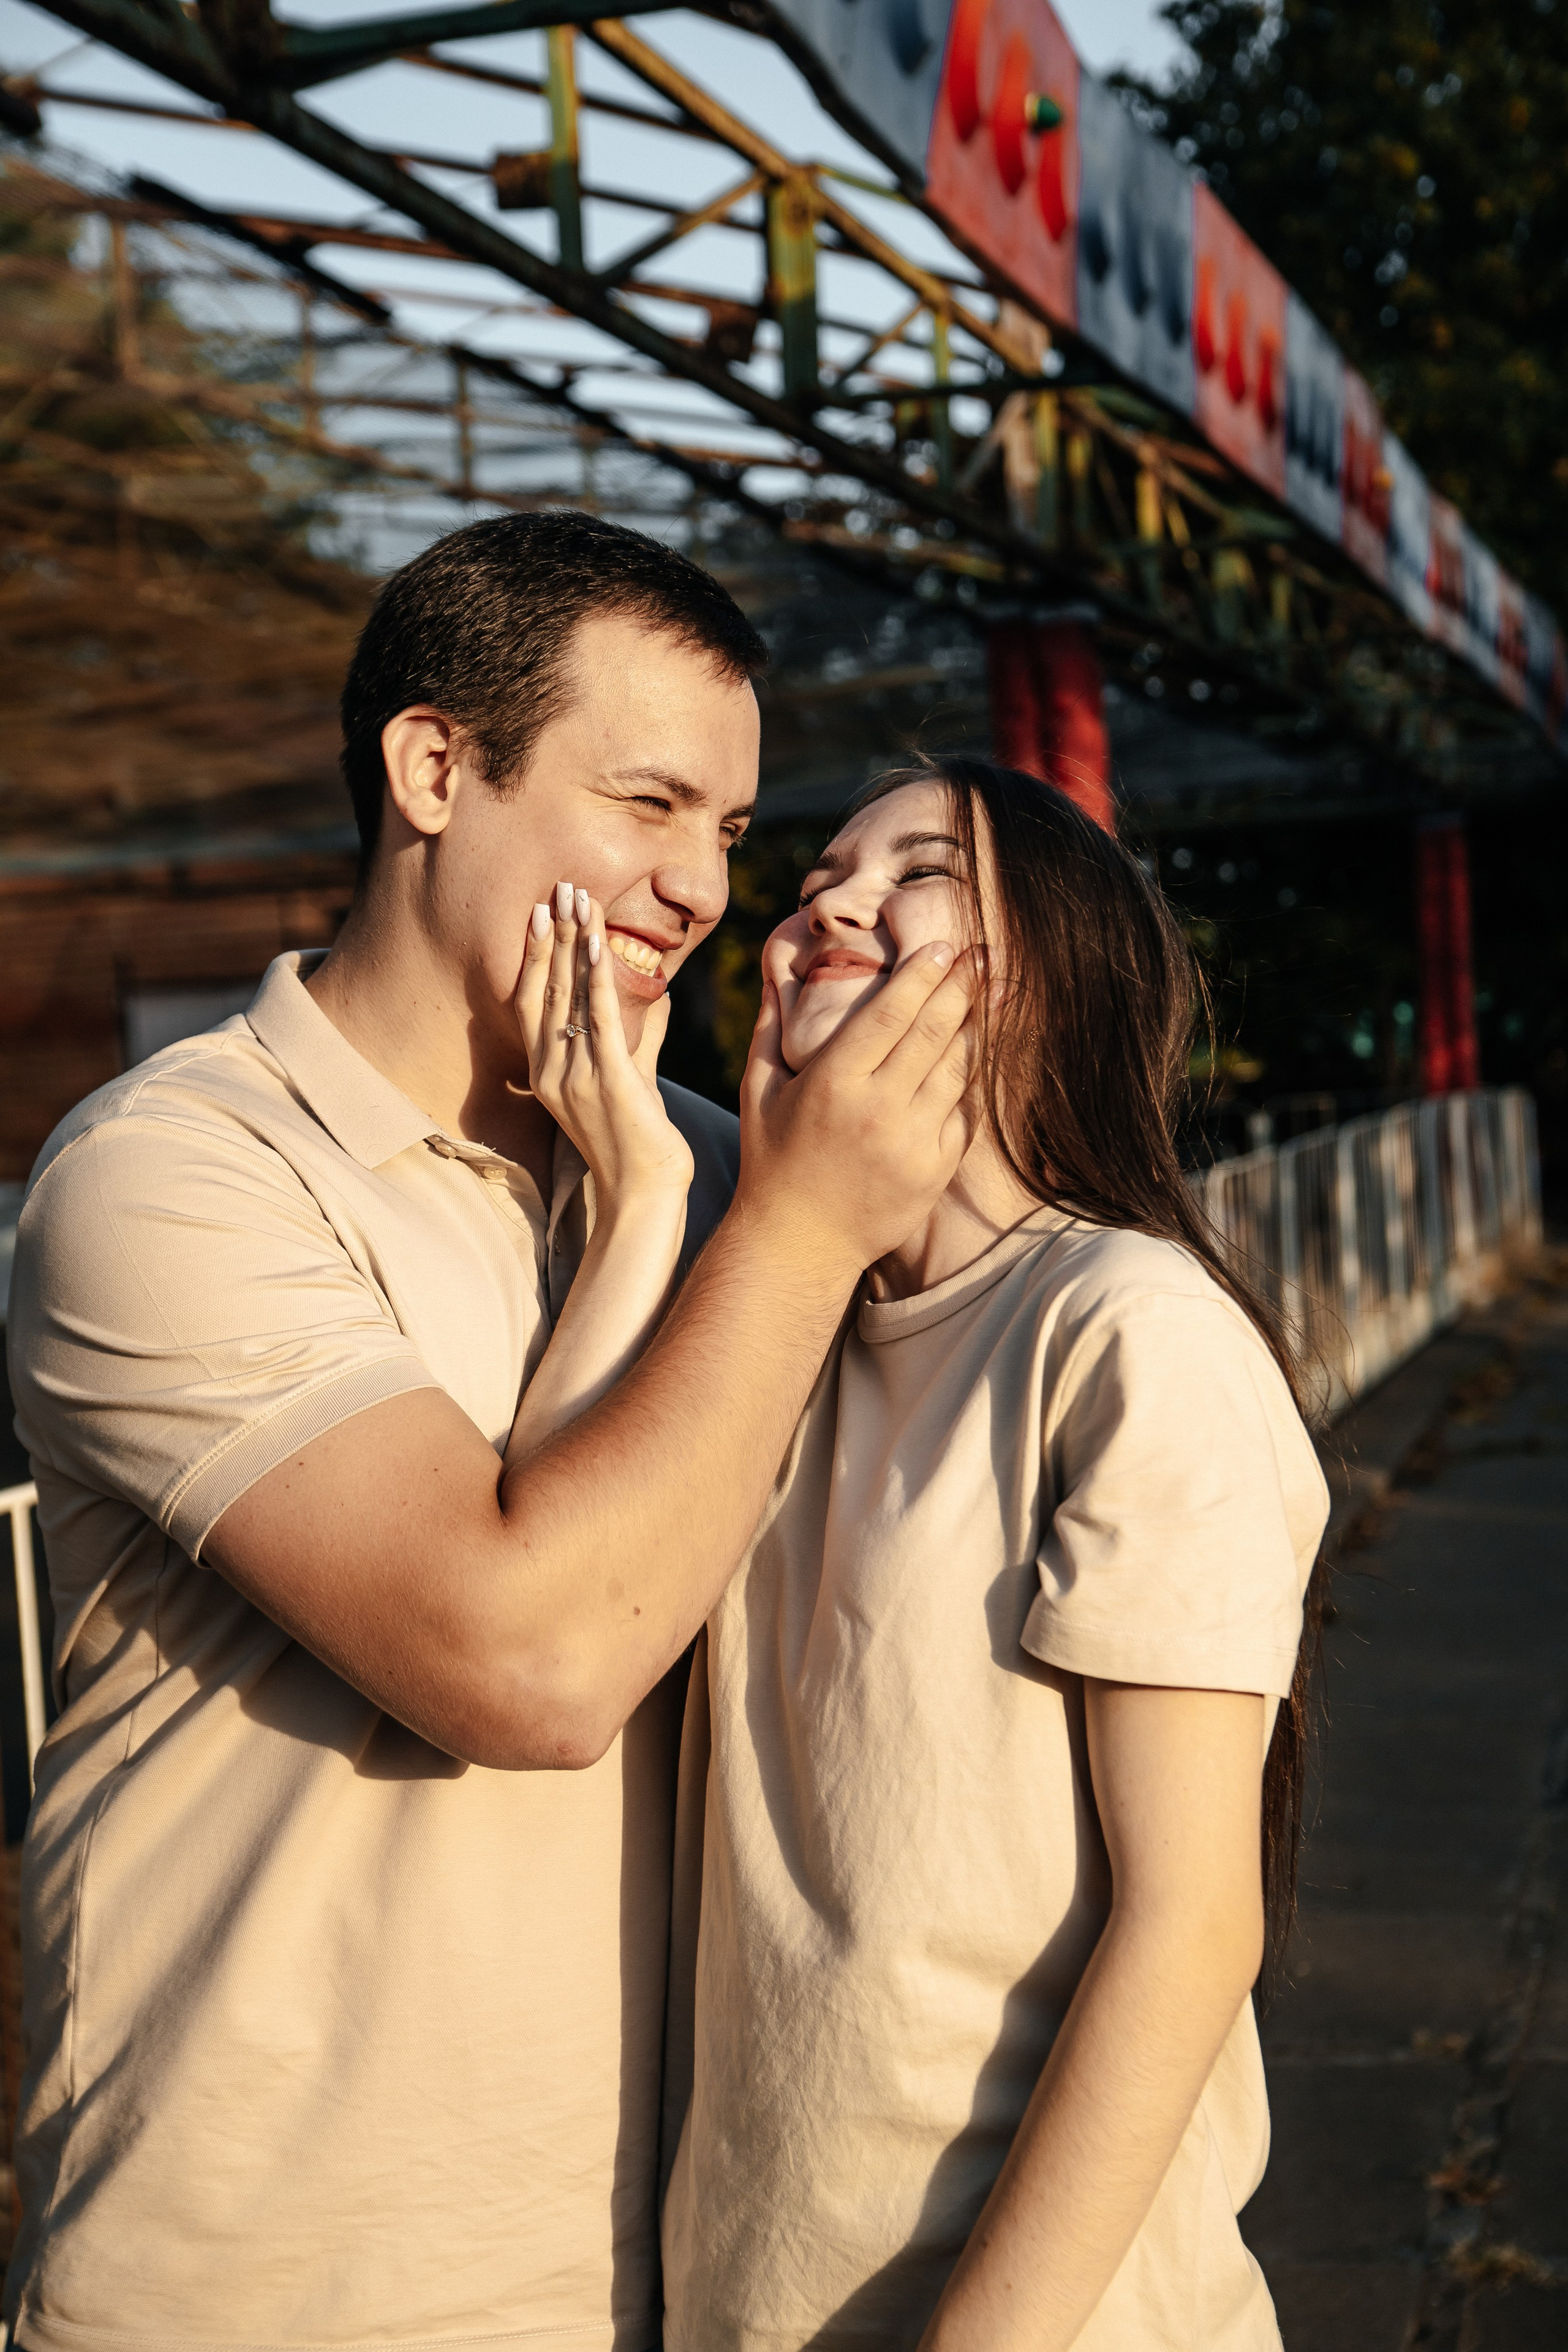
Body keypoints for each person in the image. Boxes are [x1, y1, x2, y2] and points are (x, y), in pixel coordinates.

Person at [3, 514, 976, 2352]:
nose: (699, 888)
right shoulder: (176, 1175)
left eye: (731, 834)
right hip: (264, 2286)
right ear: (435, 768)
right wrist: (785, 1226)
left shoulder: (720, 1170)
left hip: (680, 2270)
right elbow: (525, 1667)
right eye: (648, 804)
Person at [655, 756, 1333, 2351]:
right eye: (819, 871)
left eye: (919, 872)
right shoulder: (771, 1336)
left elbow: (1192, 1926)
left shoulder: (1125, 1330)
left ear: (1058, 982)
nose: (827, 897)